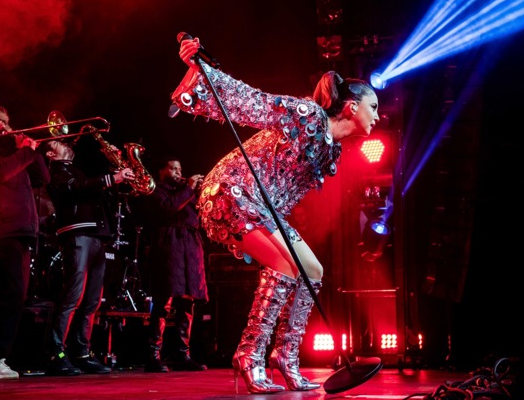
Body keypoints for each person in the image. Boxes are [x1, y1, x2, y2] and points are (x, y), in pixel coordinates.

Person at [170, 36, 379, 393]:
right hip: (231, 192)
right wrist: (198, 71)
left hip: (263, 208)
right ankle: (249, 355)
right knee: (284, 264)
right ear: (351, 106)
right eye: (373, 106)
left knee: (312, 270)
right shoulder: (308, 114)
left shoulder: (332, 150)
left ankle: (286, 356)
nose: (377, 115)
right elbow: (253, 101)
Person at [40, 138, 135, 376]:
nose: (65, 143)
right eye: (58, 143)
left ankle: (81, 352)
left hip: (96, 235)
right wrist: (112, 178)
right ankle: (55, 353)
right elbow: (77, 187)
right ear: (50, 154)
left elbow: (94, 189)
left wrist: (115, 171)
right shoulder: (56, 172)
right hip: (77, 234)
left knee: (92, 300)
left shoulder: (76, 170)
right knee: (73, 296)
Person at [0, 105, 50, 380]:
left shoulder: (16, 155)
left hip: (20, 232)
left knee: (12, 297)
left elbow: (43, 178)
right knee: (9, 295)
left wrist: (32, 150)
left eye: (4, 122)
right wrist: (25, 152)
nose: (2, 127)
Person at [139, 156, 209, 373]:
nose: (179, 172)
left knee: (188, 302)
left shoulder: (186, 192)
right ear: (161, 171)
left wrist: (202, 193)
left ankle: (181, 353)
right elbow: (167, 209)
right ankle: (153, 354)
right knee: (163, 301)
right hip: (169, 245)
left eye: (180, 168)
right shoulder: (155, 190)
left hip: (190, 247)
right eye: (173, 168)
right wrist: (189, 189)